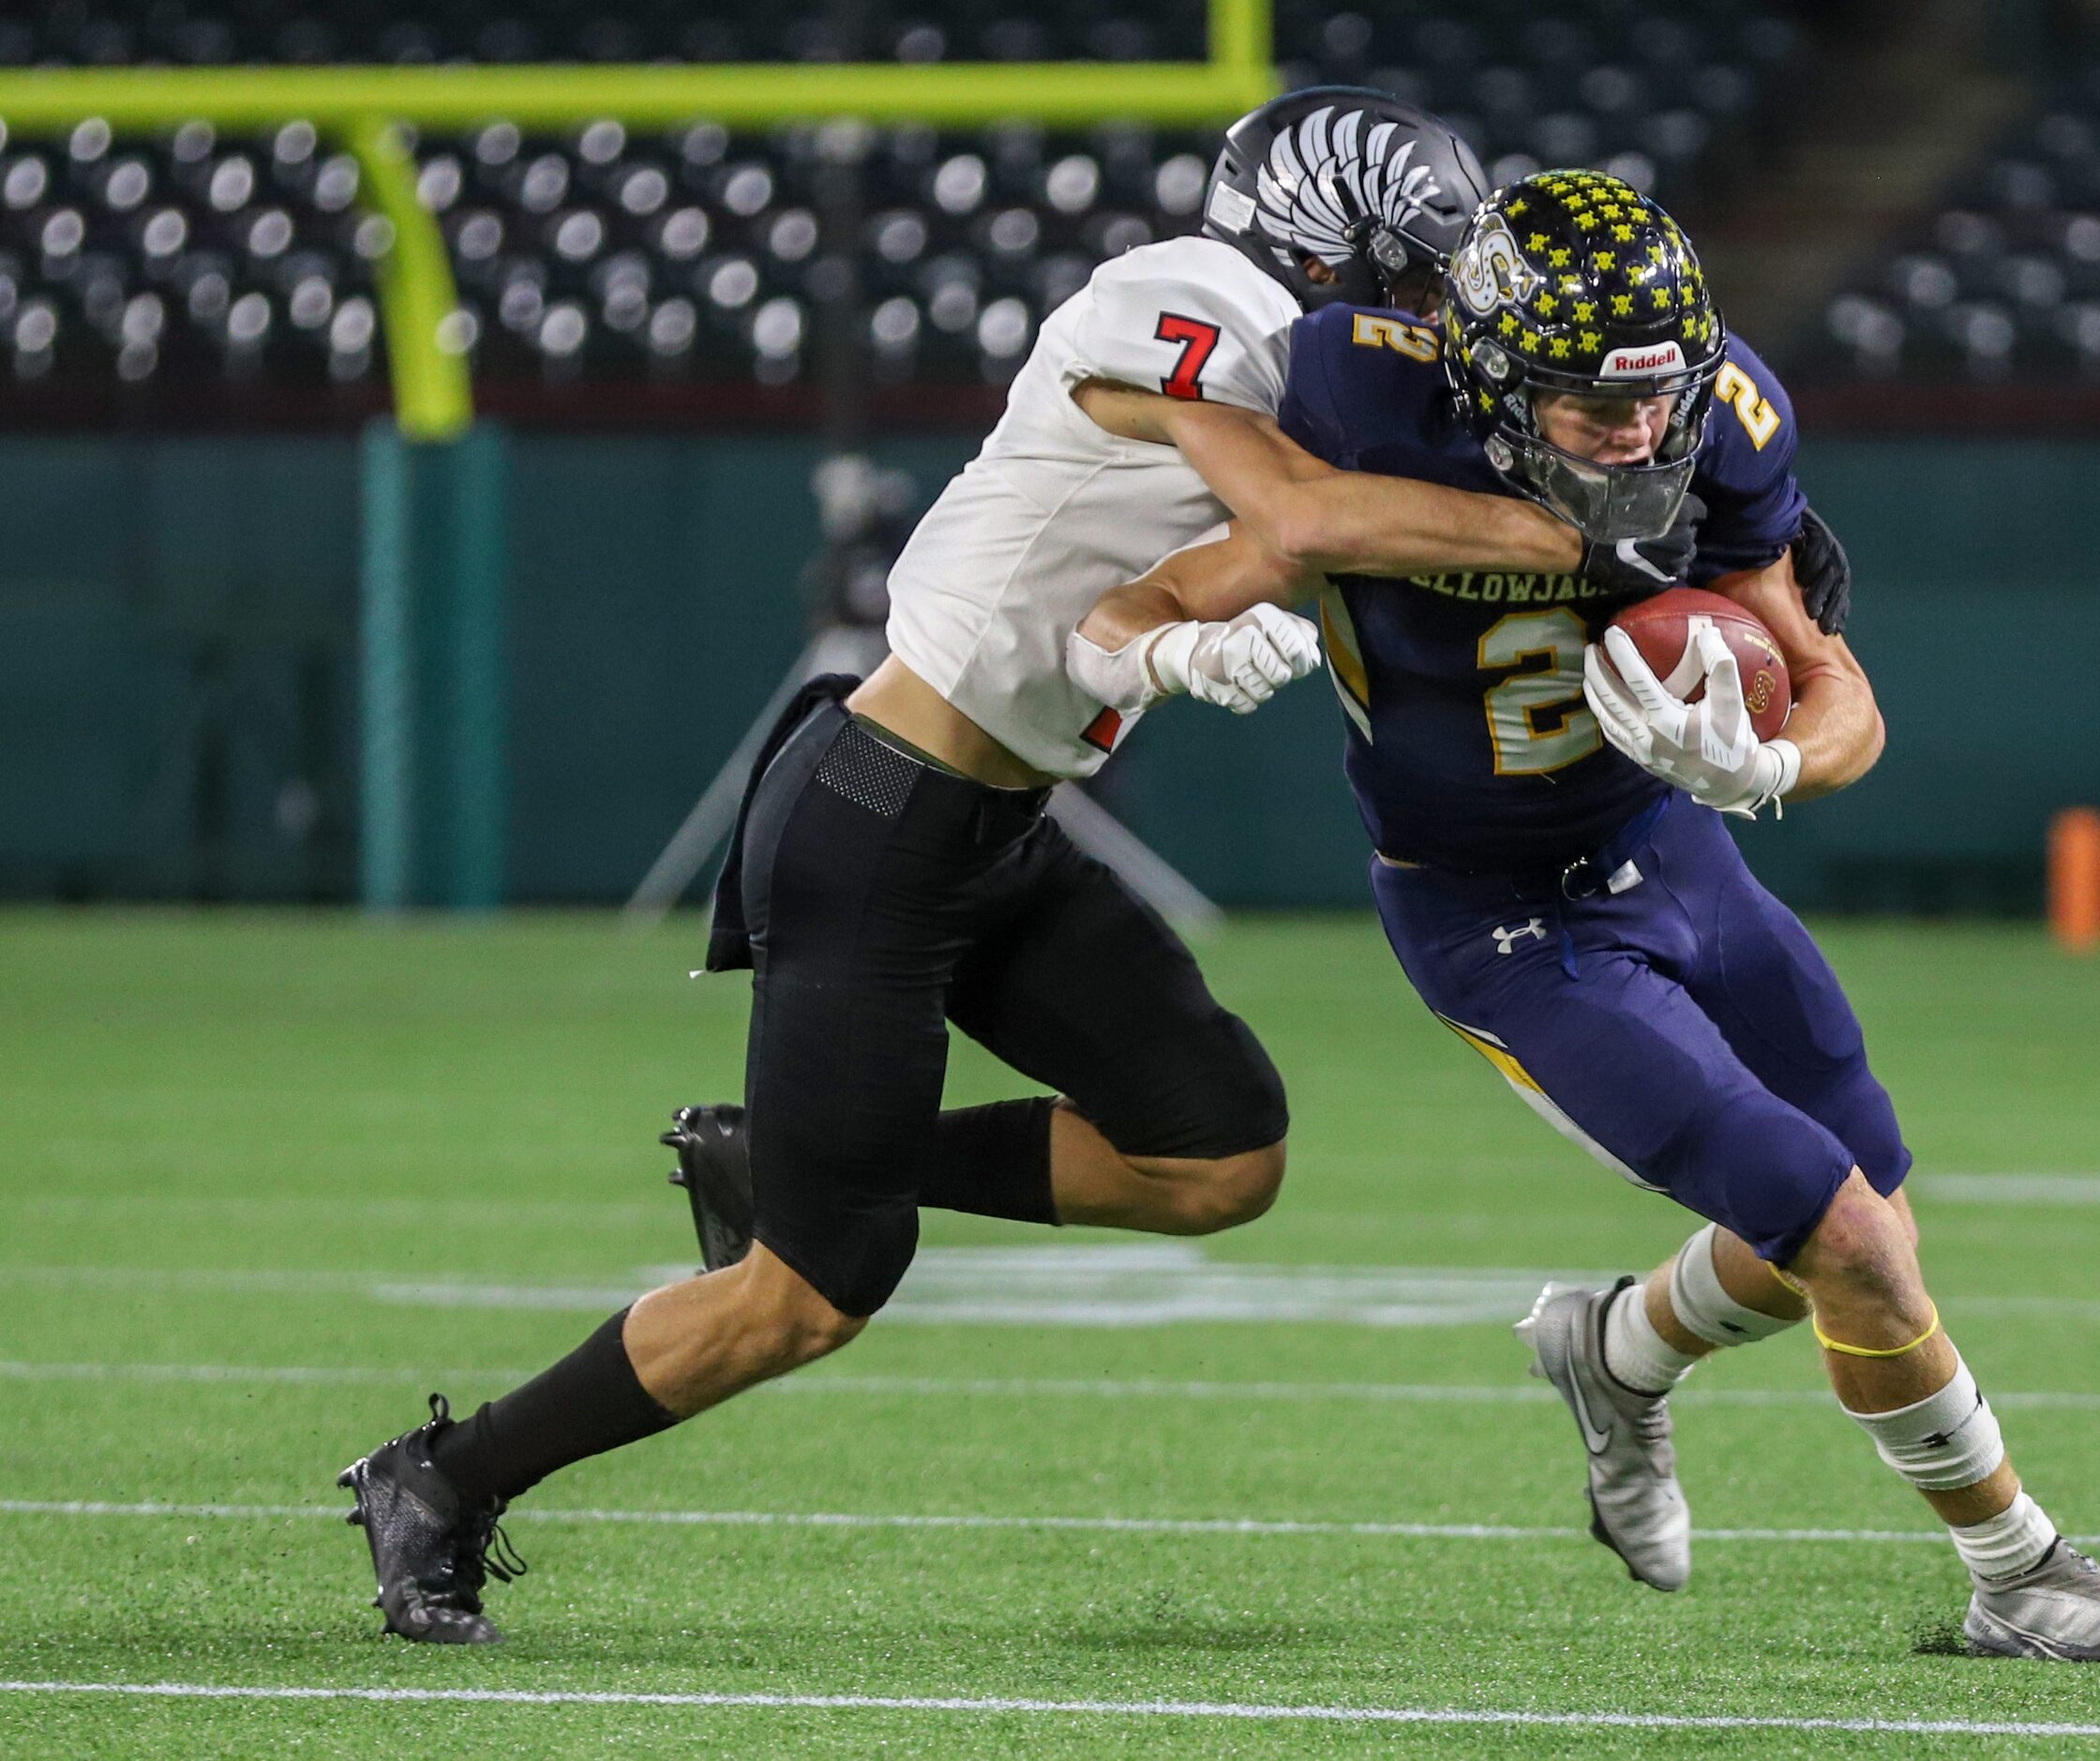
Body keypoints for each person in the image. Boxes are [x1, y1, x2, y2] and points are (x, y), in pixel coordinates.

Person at [337, 95, 1696, 1647]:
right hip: (877, 818)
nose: (1447, 312)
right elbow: (1306, 511)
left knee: (1219, 1148)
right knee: (813, 1291)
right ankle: (444, 1476)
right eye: (1431, 271)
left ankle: (777, 1154)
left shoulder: (1321, 367)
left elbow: (1438, 488)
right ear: (1347, 246)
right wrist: (1600, 551)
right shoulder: (1191, 300)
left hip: (995, 823)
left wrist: (1727, 542)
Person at [1070, 170, 2100, 1665]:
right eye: (1590, 409)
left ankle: (1615, 1350)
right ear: (1485, 375)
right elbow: (1127, 597)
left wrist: (1771, 763)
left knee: (1871, 1212)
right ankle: (2024, 1573)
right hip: (1497, 919)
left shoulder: (1719, 424)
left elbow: (1841, 695)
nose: (1635, 438)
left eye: (1654, 402)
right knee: (1854, 1240)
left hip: (1671, 852)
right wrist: (1166, 660)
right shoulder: (1356, 420)